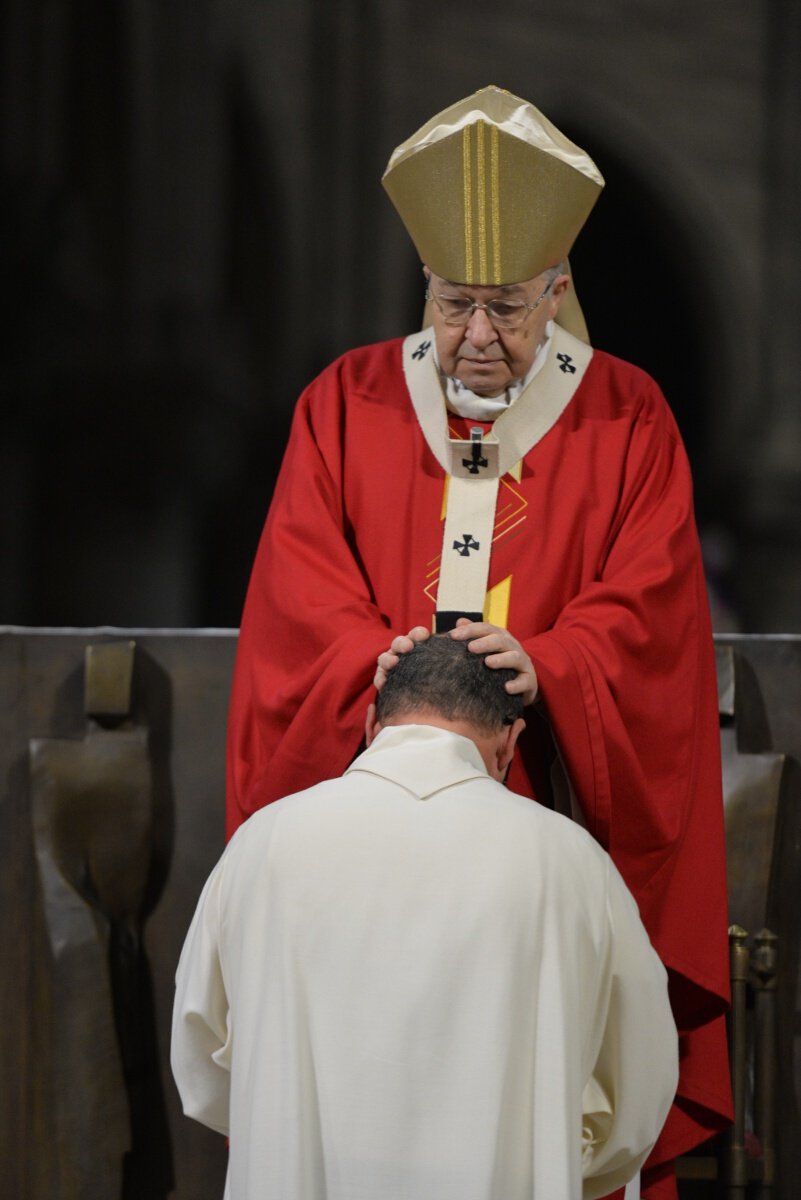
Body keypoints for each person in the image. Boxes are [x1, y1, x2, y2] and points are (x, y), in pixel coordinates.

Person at [225, 86, 731, 1196]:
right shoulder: (345, 403)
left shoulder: (626, 416)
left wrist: (553, 662)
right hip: (366, 848)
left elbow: (649, 612)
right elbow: (298, 596)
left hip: (540, 827)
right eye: (456, 305)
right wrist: (385, 663)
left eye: (508, 308)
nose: (479, 338)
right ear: (426, 285)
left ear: (559, 290)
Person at [174, 636, 678, 1200]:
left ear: (371, 727)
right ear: (511, 744)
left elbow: (200, 1047)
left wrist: (278, 1133)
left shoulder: (264, 842)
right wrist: (549, 1155)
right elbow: (637, 1074)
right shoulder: (570, 859)